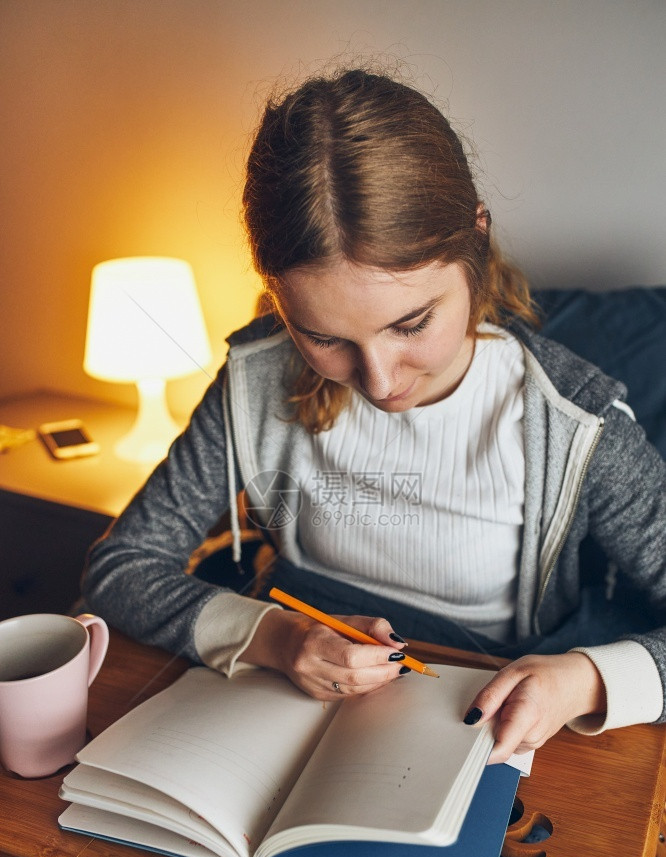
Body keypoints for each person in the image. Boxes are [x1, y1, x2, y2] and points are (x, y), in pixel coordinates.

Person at [82, 68, 666, 764]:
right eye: (324, 338)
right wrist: (272, 637)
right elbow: (119, 569)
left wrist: (590, 679)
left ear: (476, 236)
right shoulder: (254, 377)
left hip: (486, 720)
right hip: (277, 697)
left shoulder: (578, 423)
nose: (382, 382)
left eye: (412, 322)